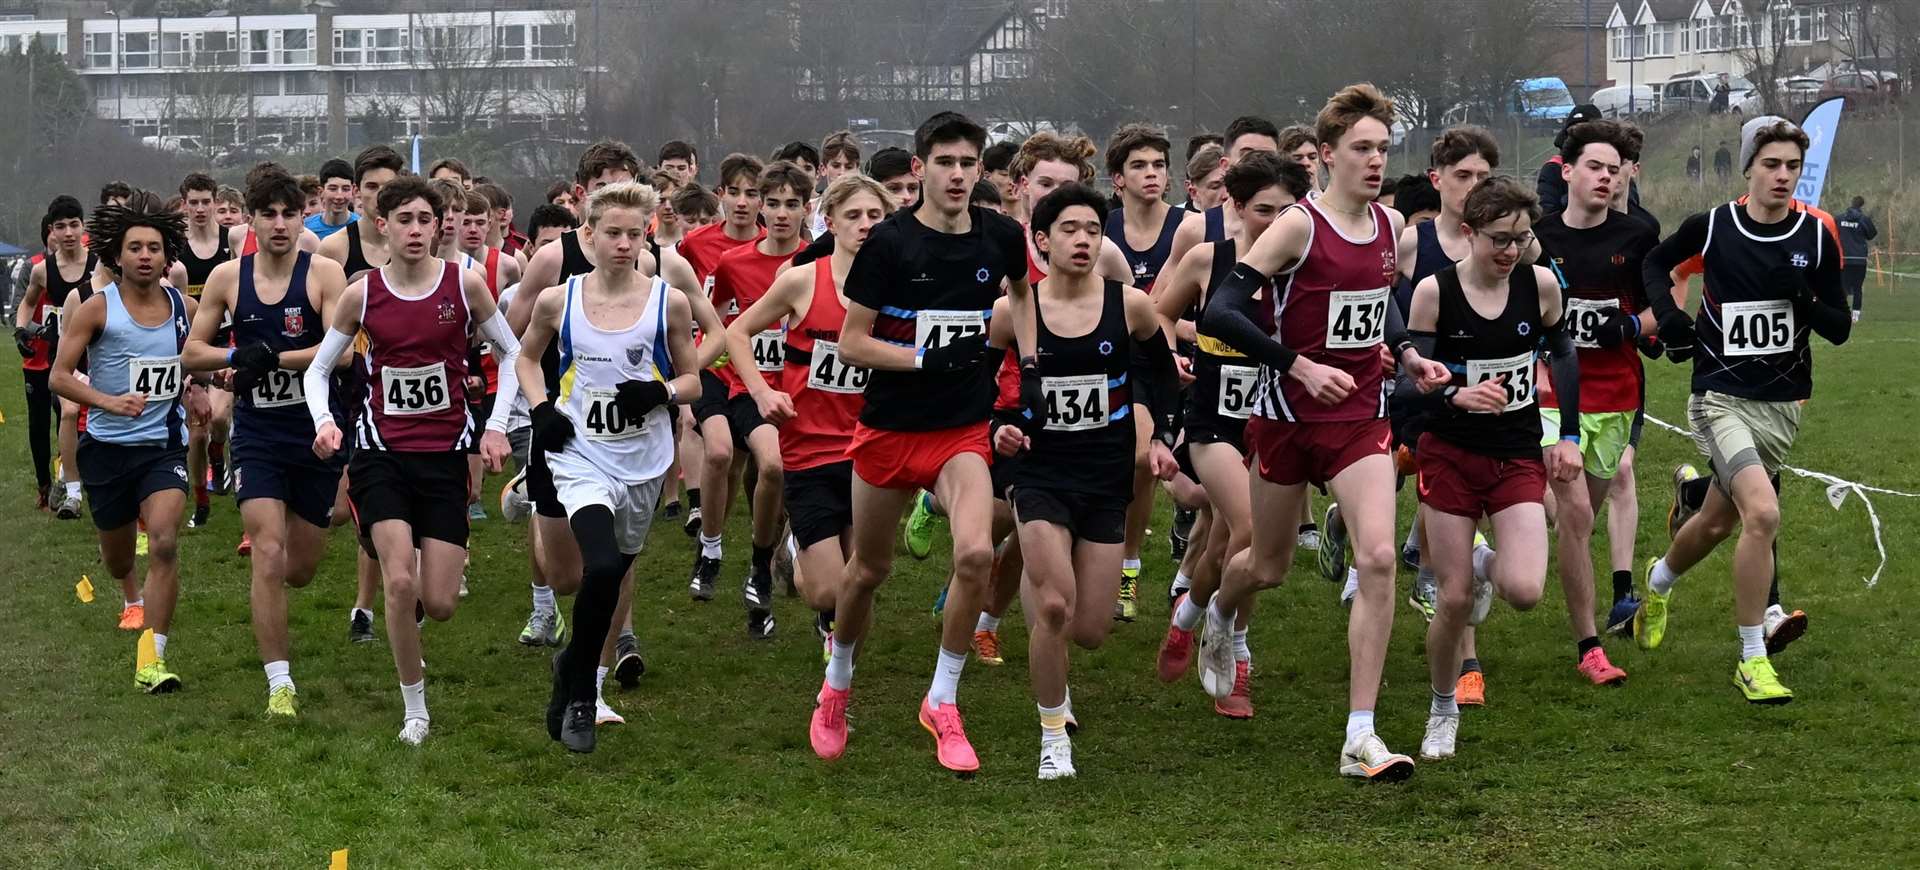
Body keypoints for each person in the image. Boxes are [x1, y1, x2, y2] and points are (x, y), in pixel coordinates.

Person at [1199, 83, 1449, 781]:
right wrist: (1298, 366)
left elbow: (1378, 307)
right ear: (1328, 156)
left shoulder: (1389, 225)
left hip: (1360, 415)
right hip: (1284, 416)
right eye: (1362, 149)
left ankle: (1359, 735)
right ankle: (1221, 616)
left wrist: (1406, 353)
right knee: (1266, 567)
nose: (1375, 161)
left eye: (1383, 149)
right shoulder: (1299, 227)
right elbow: (1220, 311)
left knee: (1375, 558)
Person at [808, 111, 1033, 774]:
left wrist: (1034, 361)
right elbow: (852, 342)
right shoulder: (890, 244)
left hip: (962, 429)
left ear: (981, 169)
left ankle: (942, 700)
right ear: (919, 169)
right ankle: (837, 683)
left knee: (972, 558)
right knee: (868, 572)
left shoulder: (1001, 236)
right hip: (888, 430)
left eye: (969, 164)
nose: (958, 175)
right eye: (945, 163)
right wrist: (924, 360)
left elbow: (1023, 295)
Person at [1633, 117, 1851, 705]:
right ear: (1749, 168)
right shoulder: (1713, 228)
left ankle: (1657, 582)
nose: (1783, 176)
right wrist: (1671, 318)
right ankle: (1753, 659)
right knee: (1763, 514)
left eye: (1793, 167)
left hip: (1782, 405)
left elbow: (1838, 331)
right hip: (1718, 397)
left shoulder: (1816, 235)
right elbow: (1655, 264)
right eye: (1772, 164)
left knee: (1716, 522)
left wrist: (1802, 294)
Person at [300, 175, 522, 744]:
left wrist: (495, 428)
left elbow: (514, 353)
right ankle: (414, 709)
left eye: (427, 220)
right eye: (405, 220)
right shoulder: (362, 294)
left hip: (446, 456)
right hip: (382, 455)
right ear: (384, 225)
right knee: (399, 583)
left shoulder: (465, 285)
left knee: (440, 602)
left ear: (440, 224)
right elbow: (318, 370)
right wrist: (326, 422)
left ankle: (415, 620)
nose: (417, 231)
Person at [993, 183, 1178, 778]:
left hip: (1104, 471)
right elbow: (979, 386)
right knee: (1052, 607)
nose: (1083, 240)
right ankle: (1053, 735)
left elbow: (1160, 372)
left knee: (1091, 628)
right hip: (1039, 470)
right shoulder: (1013, 310)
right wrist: (999, 428)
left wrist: (1159, 436)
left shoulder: (1131, 306)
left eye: (1094, 231)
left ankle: (1044, 601)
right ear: (1041, 240)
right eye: (1070, 230)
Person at [513, 180, 702, 752]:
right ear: (588, 236)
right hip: (580, 454)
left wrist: (660, 394)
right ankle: (579, 695)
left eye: (633, 234)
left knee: (613, 572)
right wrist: (542, 408)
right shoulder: (559, 299)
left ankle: (571, 661)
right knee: (597, 566)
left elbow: (693, 379)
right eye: (611, 233)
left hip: (643, 463)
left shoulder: (666, 300)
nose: (623, 244)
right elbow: (524, 357)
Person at [1404, 175, 1576, 760]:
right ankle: (1441, 708)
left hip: (1516, 451)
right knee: (1453, 600)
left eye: (1521, 240)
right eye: (1499, 239)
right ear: (1469, 233)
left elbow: (1565, 355)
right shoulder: (1434, 292)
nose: (1510, 251)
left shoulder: (1542, 286)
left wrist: (1569, 435)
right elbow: (1410, 387)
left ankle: (1481, 557)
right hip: (1450, 453)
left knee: (1525, 591)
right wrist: (1455, 395)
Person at [181, 171, 348, 717]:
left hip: (316, 431)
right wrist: (235, 358)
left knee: (299, 568)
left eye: (289, 214)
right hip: (257, 434)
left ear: (303, 217)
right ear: (250, 220)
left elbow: (342, 351)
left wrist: (270, 358)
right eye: (268, 214)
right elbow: (192, 352)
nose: (279, 224)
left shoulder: (324, 272)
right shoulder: (230, 278)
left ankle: (282, 663)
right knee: (268, 553)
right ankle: (280, 682)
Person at [1152, 151, 1311, 719]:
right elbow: (1155, 316)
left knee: (1226, 543)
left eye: (1284, 210)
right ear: (1234, 205)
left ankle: (1187, 620)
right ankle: (1235, 656)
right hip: (1213, 422)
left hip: (1274, 422)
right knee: (1248, 531)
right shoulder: (1206, 259)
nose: (1274, 222)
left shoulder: (1302, 270)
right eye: (1262, 210)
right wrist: (1171, 354)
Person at [726, 172, 893, 660]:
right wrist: (761, 392)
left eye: (875, 216)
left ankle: (839, 684)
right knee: (826, 591)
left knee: (863, 578)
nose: (865, 225)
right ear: (831, 222)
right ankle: (797, 549)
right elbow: (738, 332)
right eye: (854, 216)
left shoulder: (898, 289)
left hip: (871, 448)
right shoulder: (803, 279)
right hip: (810, 448)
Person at [49, 200, 197, 693]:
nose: (145, 256)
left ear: (166, 253)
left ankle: (152, 659)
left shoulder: (181, 304)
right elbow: (59, 377)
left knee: (165, 541)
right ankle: (129, 593)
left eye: (154, 247)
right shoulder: (98, 307)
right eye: (135, 247)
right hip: (107, 450)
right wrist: (107, 401)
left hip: (164, 447)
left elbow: (192, 358)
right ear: (118, 253)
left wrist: (206, 383)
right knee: (118, 558)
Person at [1531, 119, 1657, 686]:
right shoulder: (1538, 237)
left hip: (1617, 394)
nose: (1605, 178)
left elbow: (1666, 313)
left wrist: (1628, 324)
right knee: (1577, 513)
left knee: (1581, 521)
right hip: (1553, 393)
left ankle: (1587, 633)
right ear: (1568, 172)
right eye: (1594, 168)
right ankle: (1589, 645)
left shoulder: (1637, 237)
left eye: (1613, 169)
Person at [1389, 127, 1498, 702]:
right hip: (1429, 399)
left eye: (1484, 177)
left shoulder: (1509, 243)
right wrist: (1399, 350)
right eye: (1463, 177)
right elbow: (1376, 298)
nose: (1475, 188)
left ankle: (1433, 574)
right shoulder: (1414, 242)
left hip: (1493, 399)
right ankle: (1467, 663)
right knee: (1459, 509)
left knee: (1473, 515)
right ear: (1437, 180)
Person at [704, 161, 812, 636]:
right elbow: (721, 319)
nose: (782, 213)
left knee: (800, 494)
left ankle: (811, 586)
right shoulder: (734, 262)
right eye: (774, 203)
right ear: (762, 208)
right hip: (750, 388)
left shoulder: (818, 259)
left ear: (808, 208)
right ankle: (759, 564)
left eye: (792, 204)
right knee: (770, 466)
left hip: (809, 393)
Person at [15, 196, 94, 517]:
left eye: (74, 225)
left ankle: (72, 476)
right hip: (66, 356)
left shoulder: (99, 263)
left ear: (83, 227)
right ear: (52, 231)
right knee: (68, 412)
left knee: (97, 422)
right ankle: (72, 492)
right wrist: (22, 329)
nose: (69, 232)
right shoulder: (42, 270)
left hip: (99, 351)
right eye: (61, 227)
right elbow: (26, 302)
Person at [1535, 104, 1603, 214]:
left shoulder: (1612, 169)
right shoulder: (1553, 169)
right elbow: (1546, 211)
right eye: (1573, 132)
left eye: (1586, 133)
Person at [1835, 196, 1876, 320]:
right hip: (1859, 259)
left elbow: (1831, 231)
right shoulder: (1864, 220)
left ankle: (1842, 311)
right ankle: (1855, 315)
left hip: (1844, 258)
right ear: (1861, 206)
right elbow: (1872, 235)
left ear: (1851, 204)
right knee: (1858, 288)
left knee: (1843, 287)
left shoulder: (1839, 218)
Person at [305, 159, 358, 240]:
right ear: (321, 192)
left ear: (353, 190)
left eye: (345, 189)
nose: (339, 196)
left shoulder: (361, 228)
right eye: (333, 189)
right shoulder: (306, 228)